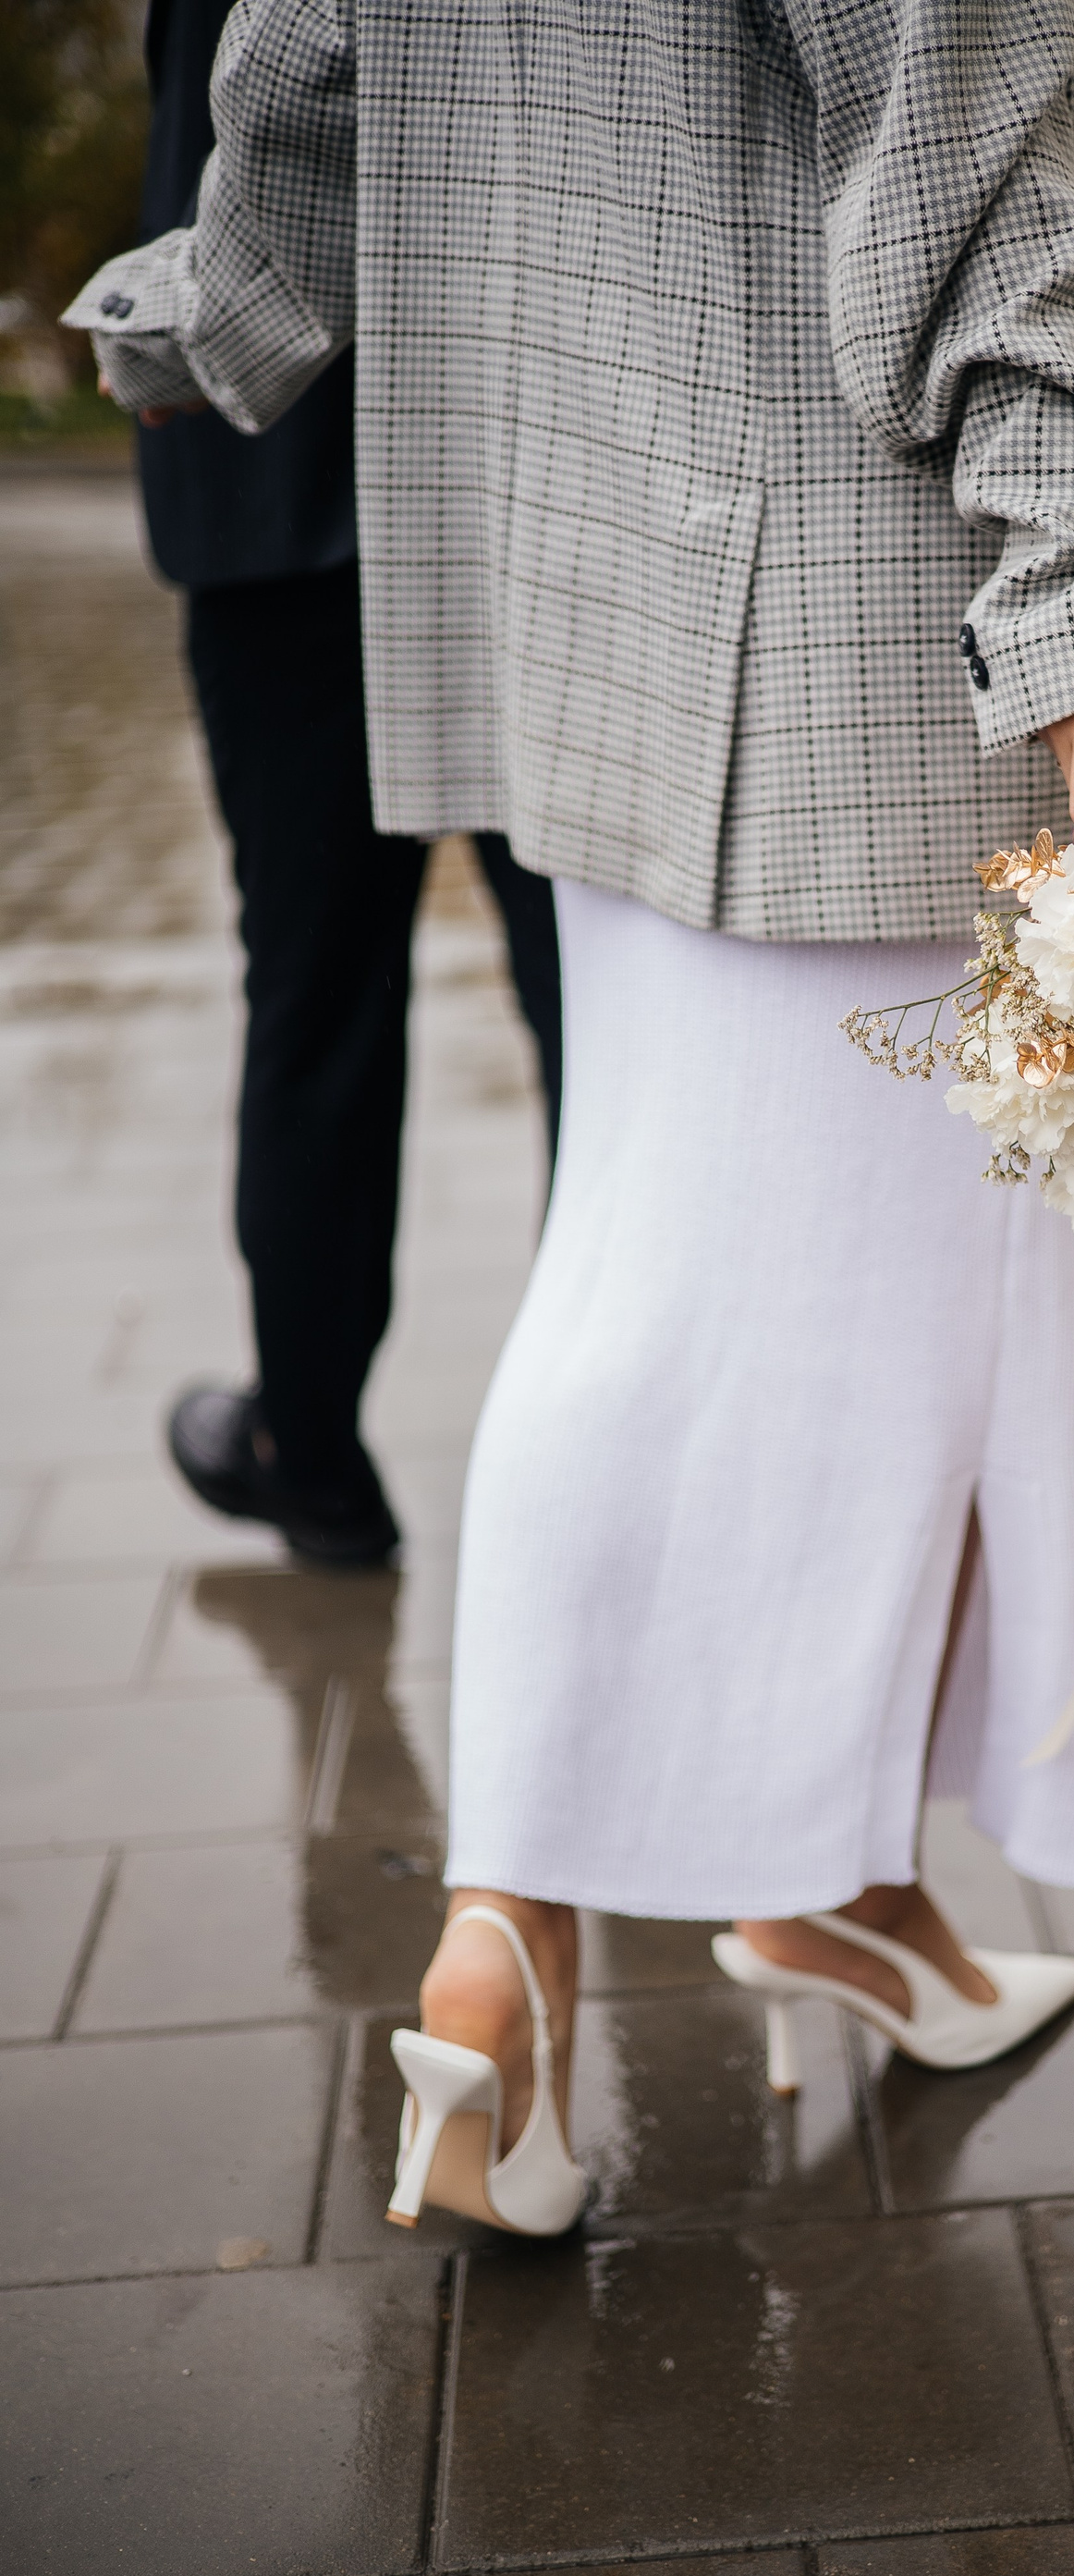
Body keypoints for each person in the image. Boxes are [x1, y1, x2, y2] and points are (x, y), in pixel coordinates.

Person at [71, 0, 1074, 2236]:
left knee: (729, 1285)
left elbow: (298, 59)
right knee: (803, 1324)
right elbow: (957, 144)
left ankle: (807, 1890)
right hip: (859, 588)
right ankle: (520, 1934)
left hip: (577, 576)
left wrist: (215, 301)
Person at [133, 0, 564, 1572]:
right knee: (593, 1000)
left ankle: (309, 1451)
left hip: (276, 474)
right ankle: (594, 1462)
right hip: (522, 472)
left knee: (316, 1000)